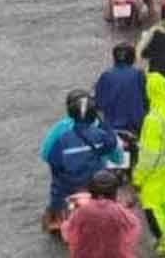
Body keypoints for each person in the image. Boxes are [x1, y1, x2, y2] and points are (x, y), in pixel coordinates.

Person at [40, 90, 121, 234]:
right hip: (95, 183)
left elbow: (48, 156)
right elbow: (114, 150)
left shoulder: (61, 134)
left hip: (68, 185)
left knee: (56, 195)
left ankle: (56, 217)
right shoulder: (100, 132)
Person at [133, 71, 165, 256]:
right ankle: (164, 238)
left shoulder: (152, 119)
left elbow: (148, 155)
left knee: (151, 207)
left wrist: (138, 177)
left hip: (153, 174)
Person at [61, 169, 140, 258]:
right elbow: (133, 230)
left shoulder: (82, 210)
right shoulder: (120, 211)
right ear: (114, 192)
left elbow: (68, 233)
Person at [93, 43, 148, 139]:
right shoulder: (138, 74)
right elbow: (146, 98)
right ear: (132, 58)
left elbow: (98, 103)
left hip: (111, 127)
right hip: (135, 126)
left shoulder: (106, 76)